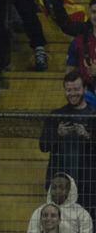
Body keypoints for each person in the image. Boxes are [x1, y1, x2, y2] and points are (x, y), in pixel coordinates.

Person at [39, 71, 96, 209]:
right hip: (60, 185)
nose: (72, 93)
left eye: (76, 89)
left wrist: (88, 136)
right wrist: (57, 135)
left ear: (85, 89)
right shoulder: (56, 115)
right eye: (68, 90)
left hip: (89, 184)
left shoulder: (94, 115)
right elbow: (43, 146)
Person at [26, 172, 94, 233]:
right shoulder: (39, 212)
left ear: (70, 190)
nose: (57, 191)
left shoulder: (82, 214)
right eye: (54, 187)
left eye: (62, 188)